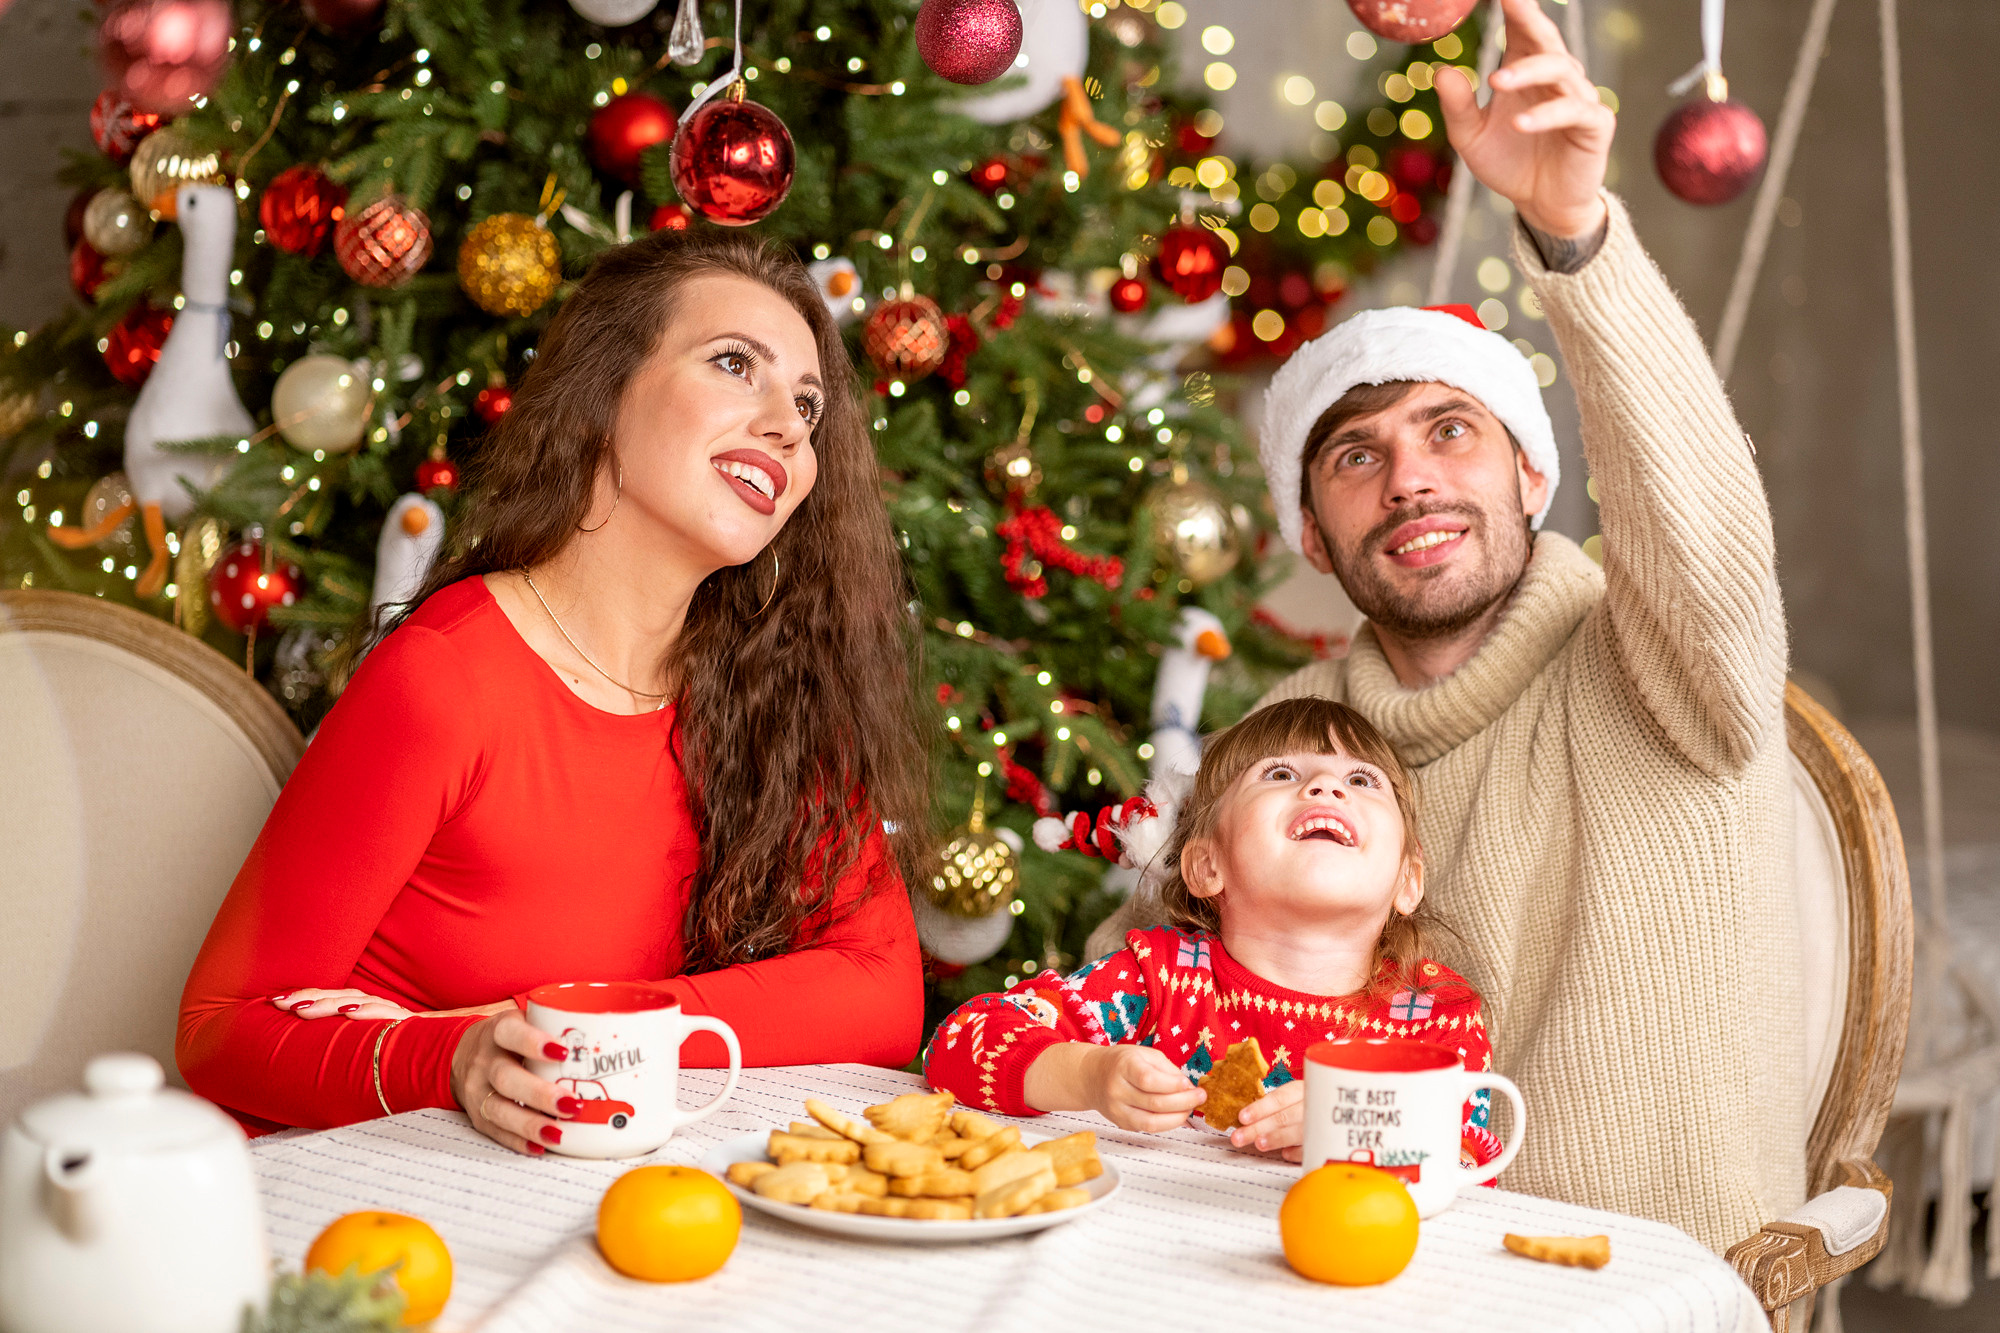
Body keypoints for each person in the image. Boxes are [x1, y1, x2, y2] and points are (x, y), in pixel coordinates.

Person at [1109, 0, 1801, 1254]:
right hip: (1313, 1265)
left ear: (1531, 477)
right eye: (1356, 457)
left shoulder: (1661, 662)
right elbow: (1130, 968)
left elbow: (1699, 527)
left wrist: (1573, 236)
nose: (1409, 482)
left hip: (1616, 1284)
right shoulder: (1289, 736)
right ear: (1312, 537)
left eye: (1450, 432)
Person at [177, 229, 930, 1153]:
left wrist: (576, 1024)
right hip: (379, 1202)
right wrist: (455, 1055)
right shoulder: (444, 678)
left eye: (808, 408)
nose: (787, 424)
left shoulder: (774, 696)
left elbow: (884, 994)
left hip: (584, 1200)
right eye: (736, 365)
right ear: (606, 396)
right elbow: (220, 1029)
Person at [926, 699, 1497, 1169]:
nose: (1327, 786)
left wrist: (1356, 1126)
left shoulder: (1435, 1016)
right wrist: (1088, 1075)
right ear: (1206, 865)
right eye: (1280, 774)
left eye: (1361, 779)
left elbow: (1476, 1160)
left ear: (1407, 880)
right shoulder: (1158, 979)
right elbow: (957, 1042)